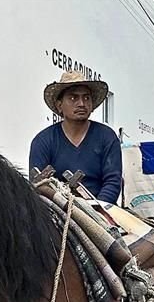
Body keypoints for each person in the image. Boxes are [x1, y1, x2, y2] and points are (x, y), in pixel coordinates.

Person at [29, 71, 122, 204]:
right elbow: (38, 185)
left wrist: (97, 211)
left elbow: (113, 181)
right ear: (59, 105)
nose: (81, 104)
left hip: (101, 210)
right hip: (57, 210)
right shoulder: (43, 141)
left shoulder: (107, 137)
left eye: (86, 98)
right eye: (73, 98)